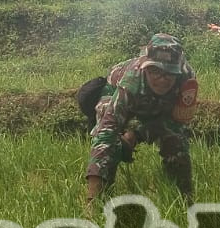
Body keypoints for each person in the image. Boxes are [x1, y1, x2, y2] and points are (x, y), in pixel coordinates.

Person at [83, 34, 199, 209]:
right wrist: (90, 204)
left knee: (176, 140)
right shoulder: (131, 83)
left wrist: (137, 134)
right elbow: (106, 133)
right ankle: (101, 196)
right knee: (111, 143)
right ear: (146, 68)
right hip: (118, 90)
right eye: (155, 71)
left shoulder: (187, 79)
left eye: (169, 73)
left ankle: (184, 200)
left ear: (178, 71)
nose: (162, 79)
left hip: (159, 105)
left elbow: (176, 122)